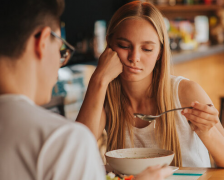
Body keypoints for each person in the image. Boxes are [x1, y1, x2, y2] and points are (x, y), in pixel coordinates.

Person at [0, 0, 172, 180]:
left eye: (147, 48)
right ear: (42, 42)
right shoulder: (60, 140)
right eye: (61, 50)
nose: (134, 58)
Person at [77, 1, 224, 168]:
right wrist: (98, 79)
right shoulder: (105, 98)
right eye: (124, 46)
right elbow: (74, 153)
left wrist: (207, 132)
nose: (134, 57)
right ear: (109, 44)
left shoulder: (185, 92)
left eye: (147, 49)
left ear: (160, 52)